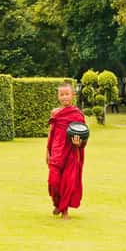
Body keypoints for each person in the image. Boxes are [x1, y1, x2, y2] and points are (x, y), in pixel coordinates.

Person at [47, 83, 87, 220]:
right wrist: (47, 151)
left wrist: (79, 143)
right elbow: (51, 133)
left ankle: (64, 211)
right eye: (61, 94)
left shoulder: (77, 115)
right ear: (58, 96)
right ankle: (57, 204)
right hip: (57, 152)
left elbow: (84, 134)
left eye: (67, 94)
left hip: (71, 152)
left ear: (72, 95)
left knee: (68, 183)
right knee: (53, 182)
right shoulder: (55, 113)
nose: (64, 97)